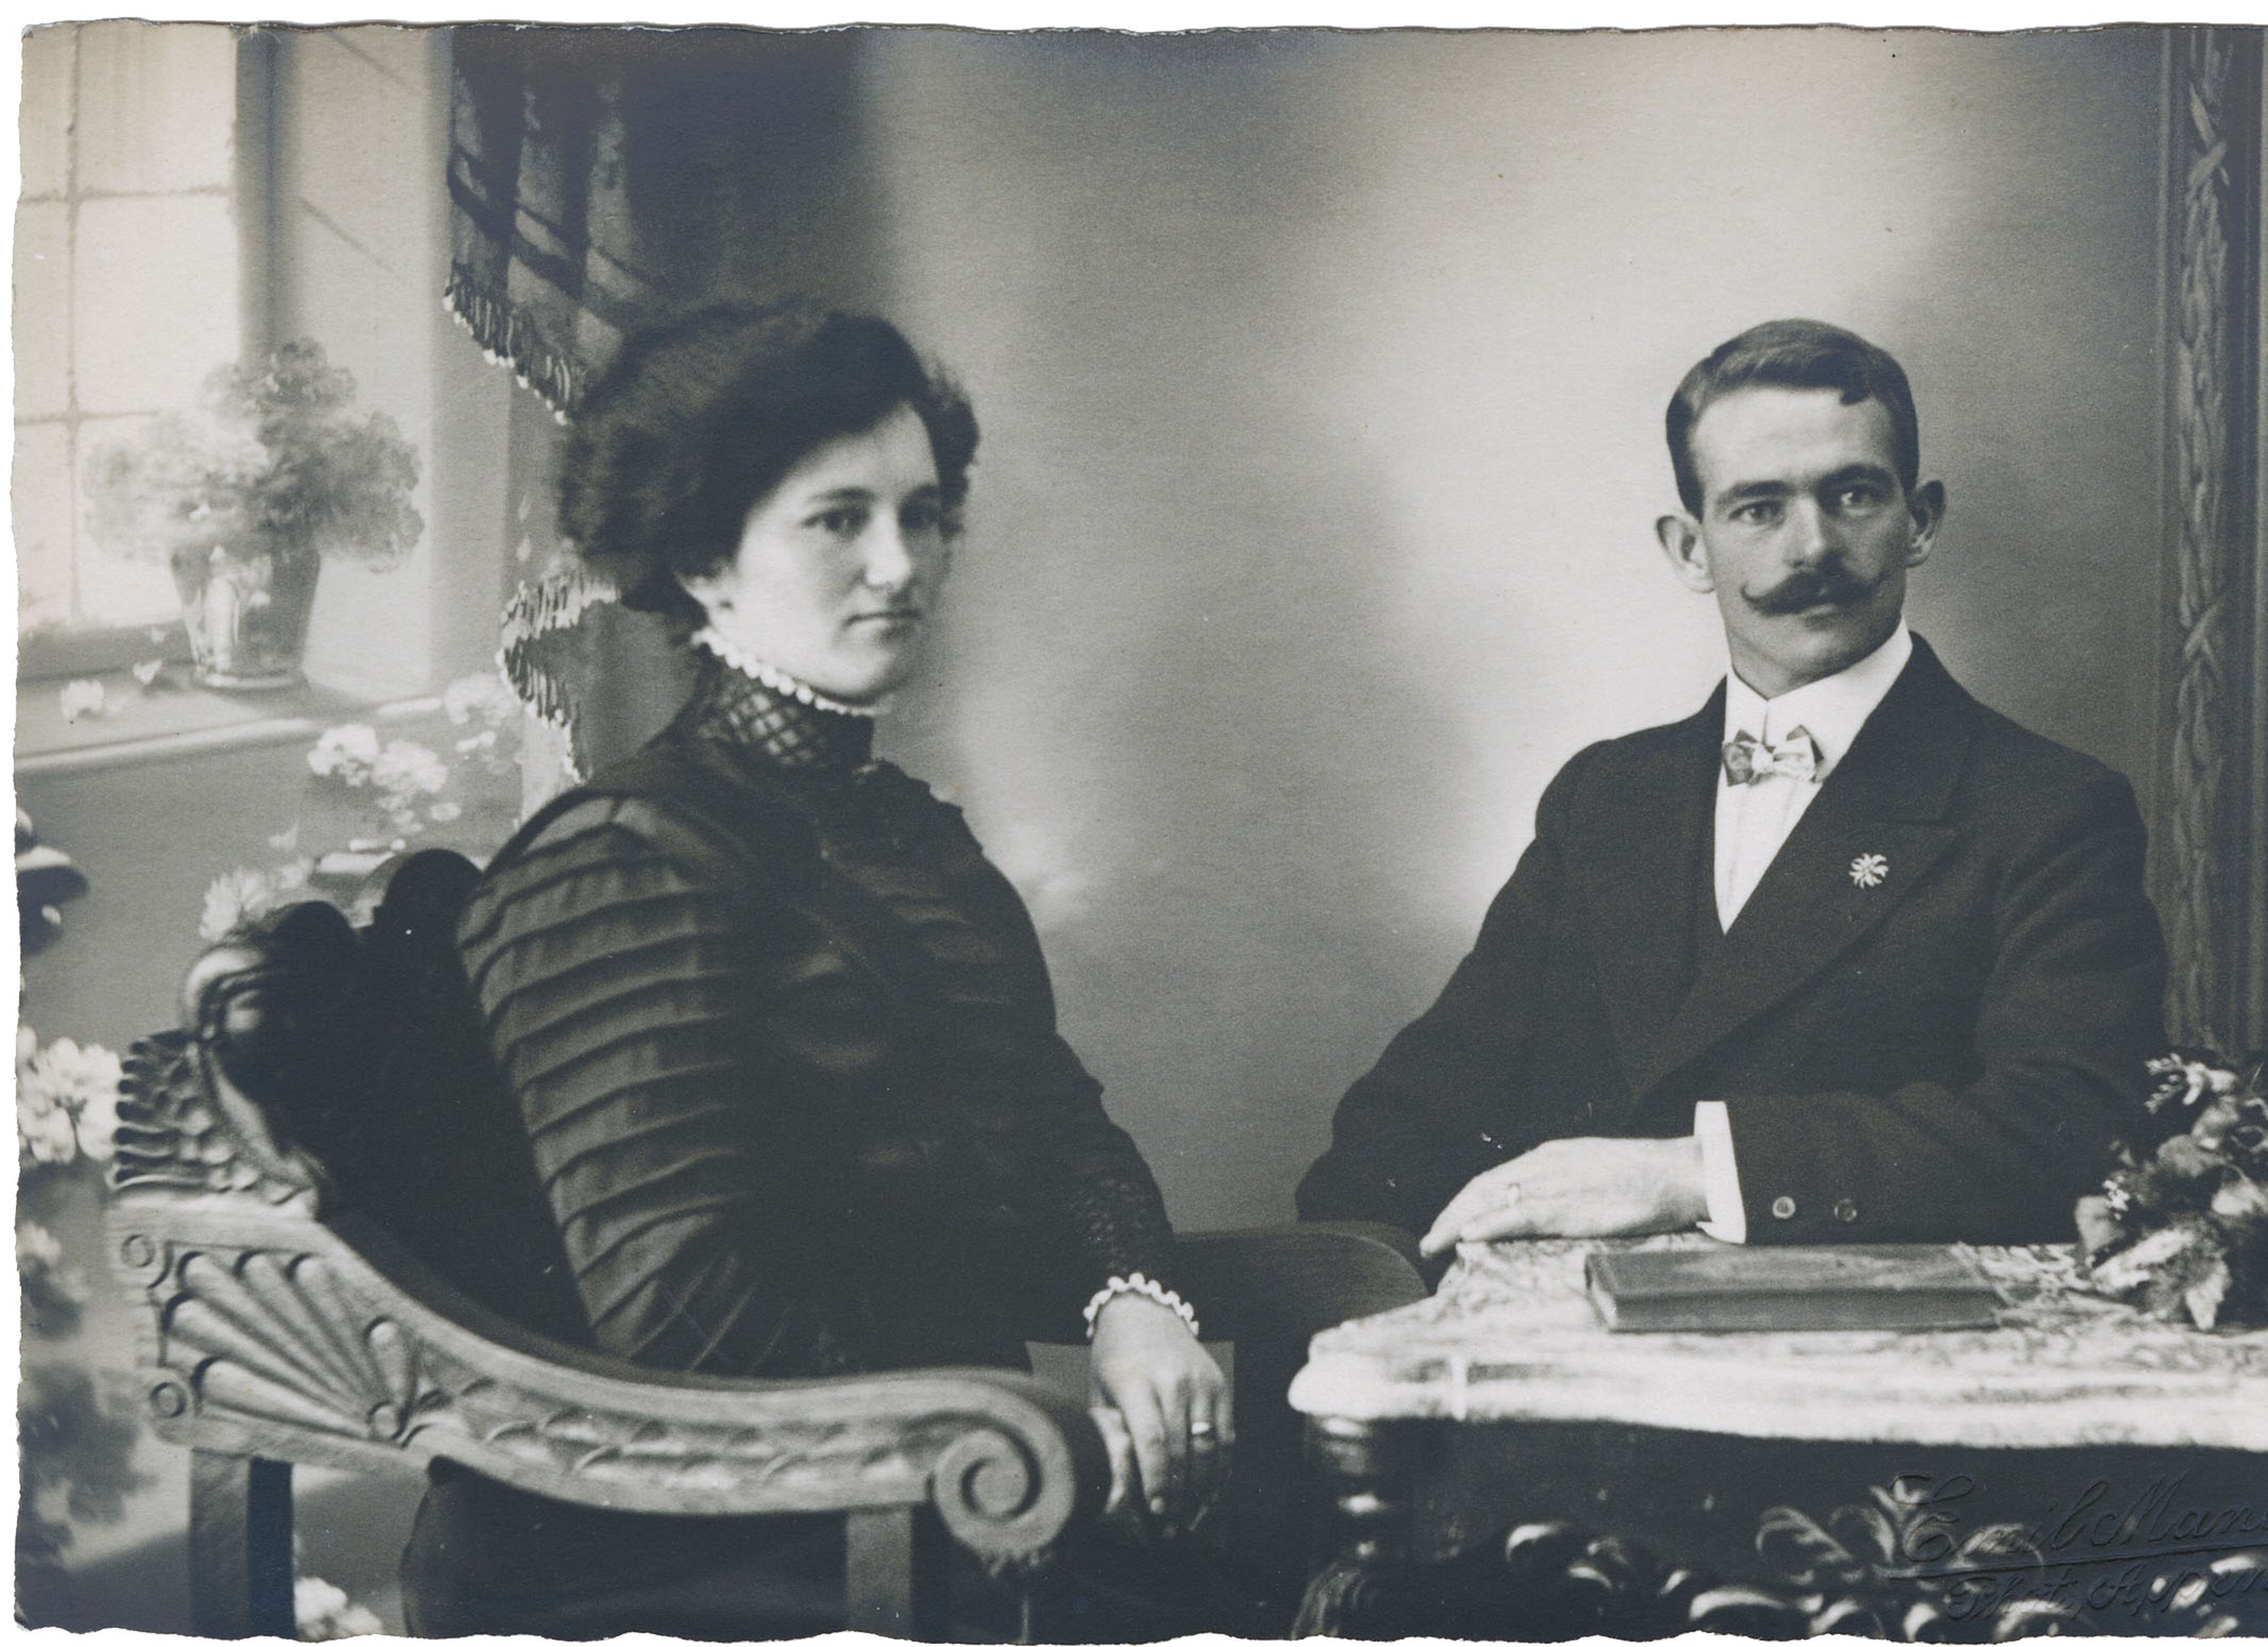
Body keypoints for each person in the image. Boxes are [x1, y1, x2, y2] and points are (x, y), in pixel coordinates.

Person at [400, 304, 1227, 1639]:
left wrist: (1135, 1303)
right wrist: (1001, 1428)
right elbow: (679, 1310)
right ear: (703, 558)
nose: (899, 565)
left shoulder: (898, 831)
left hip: (942, 1491)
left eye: (922, 516)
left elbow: (1057, 1126)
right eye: (838, 520)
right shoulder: (618, 862)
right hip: (695, 1548)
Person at [1296, 318, 2167, 1258]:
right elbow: (1412, 1122)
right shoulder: (1606, 800)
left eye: (1853, 495)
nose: (1812, 548)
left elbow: (2067, 1132)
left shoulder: (2047, 808)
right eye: (1758, 508)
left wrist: (1693, 1173)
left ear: (1919, 522)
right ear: (1689, 549)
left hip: (1861, 1340)